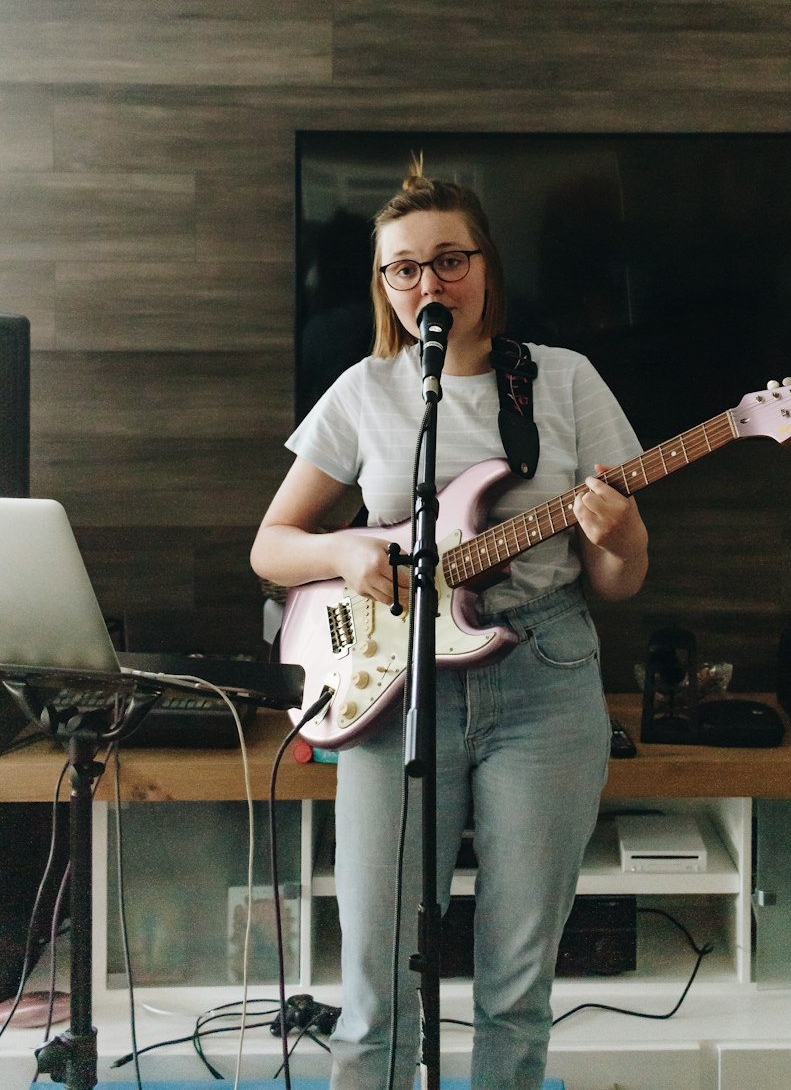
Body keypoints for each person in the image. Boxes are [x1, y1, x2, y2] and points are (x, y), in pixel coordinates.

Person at [250, 162, 648, 1090]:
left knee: (516, 983)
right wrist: (347, 555)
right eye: (405, 269)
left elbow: (619, 582)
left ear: (486, 268)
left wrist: (620, 534)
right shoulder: (365, 391)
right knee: (376, 987)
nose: (429, 283)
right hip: (394, 690)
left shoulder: (565, 381)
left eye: (450, 260)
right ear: (385, 286)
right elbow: (272, 546)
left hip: (543, 674)